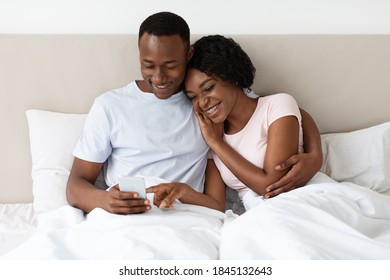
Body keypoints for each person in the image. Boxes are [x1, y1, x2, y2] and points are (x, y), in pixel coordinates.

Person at [66, 12, 322, 215]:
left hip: (185, 215)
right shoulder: (110, 106)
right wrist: (104, 200)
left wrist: (314, 153)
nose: (159, 77)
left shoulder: (208, 112)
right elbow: (76, 184)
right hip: (123, 214)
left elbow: (281, 110)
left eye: (170, 65)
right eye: (148, 65)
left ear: (187, 56)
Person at [147, 34, 322, 211]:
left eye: (208, 88)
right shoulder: (211, 134)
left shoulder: (275, 105)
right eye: (193, 97)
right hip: (259, 215)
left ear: (231, 76)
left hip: (299, 202)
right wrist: (181, 190)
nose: (203, 102)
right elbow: (216, 205)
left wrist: (217, 144)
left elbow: (271, 186)